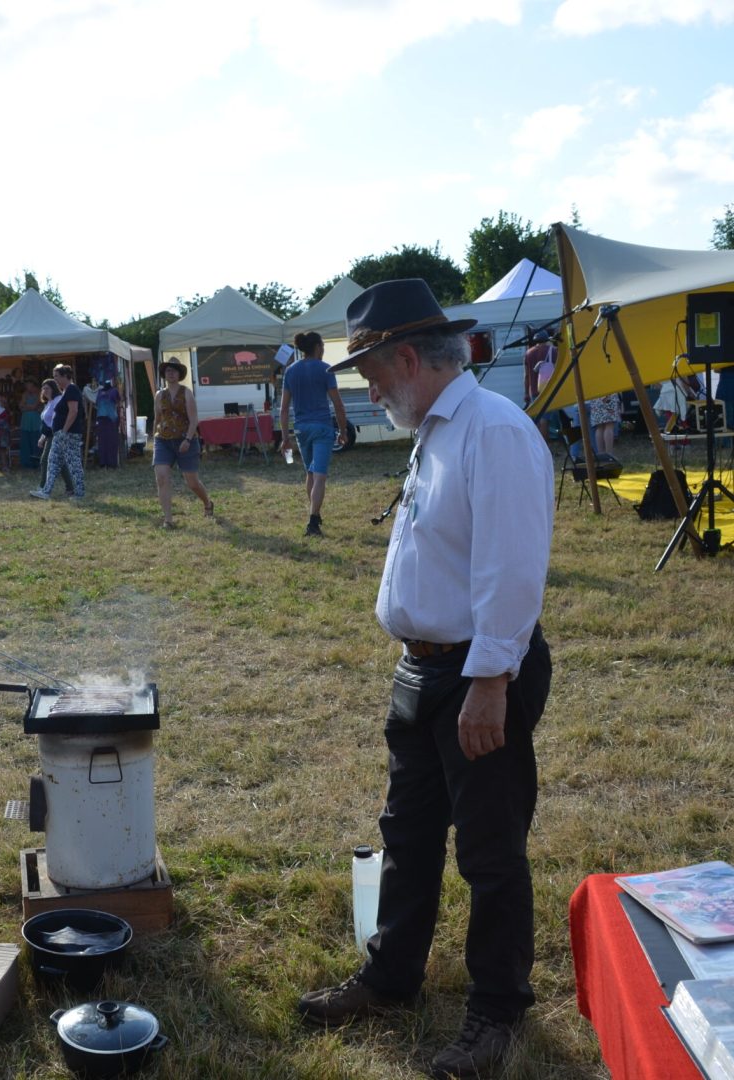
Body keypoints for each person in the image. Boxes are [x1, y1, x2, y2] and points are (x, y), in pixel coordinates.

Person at [297, 280, 554, 1080]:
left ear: (407, 358)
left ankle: (496, 1012)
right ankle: (391, 976)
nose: (369, 392)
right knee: (406, 836)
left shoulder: (493, 432)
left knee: (488, 849)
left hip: (480, 671)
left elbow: (511, 572)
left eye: (372, 373)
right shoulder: (438, 428)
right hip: (426, 669)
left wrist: (489, 682)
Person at [278, 331, 348, 537]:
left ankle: (314, 514)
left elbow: (283, 409)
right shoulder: (325, 369)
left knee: (310, 473)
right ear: (317, 347)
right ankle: (313, 522)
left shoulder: (291, 371)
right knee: (319, 476)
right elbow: (337, 404)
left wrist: (285, 437)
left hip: (301, 428)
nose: (323, 350)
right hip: (322, 427)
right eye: (323, 346)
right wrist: (343, 431)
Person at [152, 358, 213, 528]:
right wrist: (152, 437)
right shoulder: (159, 395)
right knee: (162, 478)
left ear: (179, 374)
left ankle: (207, 503)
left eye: (174, 370)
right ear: (164, 374)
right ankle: (168, 520)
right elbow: (157, 418)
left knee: (192, 482)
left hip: (185, 441)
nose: (170, 373)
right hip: (163, 440)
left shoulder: (186, 393)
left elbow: (194, 420)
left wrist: (187, 439)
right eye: (168, 371)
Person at [30, 364, 86, 500]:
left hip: (68, 434)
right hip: (60, 434)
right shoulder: (67, 390)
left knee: (74, 463)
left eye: (56, 376)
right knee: (52, 461)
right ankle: (46, 491)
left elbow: (74, 411)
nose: (55, 380)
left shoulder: (72, 389)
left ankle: (79, 493)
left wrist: (64, 431)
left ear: (65, 376)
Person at [34, 378, 75, 496]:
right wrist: (43, 437)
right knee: (61, 463)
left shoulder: (58, 400)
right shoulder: (49, 403)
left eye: (47, 388)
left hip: (58, 435)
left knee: (45, 460)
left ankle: (43, 488)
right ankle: (71, 488)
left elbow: (57, 421)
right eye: (43, 388)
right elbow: (47, 424)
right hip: (50, 435)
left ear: (53, 389)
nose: (44, 390)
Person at [95, 380, 121, 468]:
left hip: (112, 419)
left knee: (112, 441)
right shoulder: (99, 392)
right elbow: (96, 404)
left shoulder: (114, 391)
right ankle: (103, 462)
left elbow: (118, 402)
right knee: (102, 441)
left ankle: (112, 462)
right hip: (101, 418)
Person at [587, 393, 621, 459]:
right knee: (609, 425)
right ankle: (609, 454)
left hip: (595, 396)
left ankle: (601, 455)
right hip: (608, 394)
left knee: (599, 427)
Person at [19, 377, 42, 470]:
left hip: (36, 422)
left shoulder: (40, 394)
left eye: (30, 386)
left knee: (36, 442)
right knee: (26, 442)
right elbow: (20, 406)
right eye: (27, 386)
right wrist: (30, 407)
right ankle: (26, 462)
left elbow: (34, 406)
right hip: (26, 422)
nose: (28, 389)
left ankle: (36, 463)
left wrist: (26, 407)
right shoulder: (24, 394)